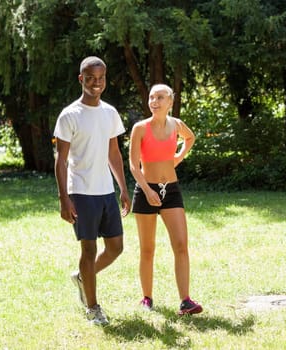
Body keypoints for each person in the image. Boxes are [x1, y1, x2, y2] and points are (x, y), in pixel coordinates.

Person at [54, 56, 131, 325]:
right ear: (81, 79)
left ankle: (82, 277)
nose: (96, 83)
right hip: (81, 192)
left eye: (100, 78)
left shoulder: (110, 113)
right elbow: (60, 161)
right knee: (88, 250)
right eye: (90, 78)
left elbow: (114, 153)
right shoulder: (69, 115)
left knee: (116, 247)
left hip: (105, 191)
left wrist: (123, 187)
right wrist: (64, 199)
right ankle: (93, 307)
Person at [129, 83, 202, 315]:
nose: (154, 101)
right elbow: (132, 165)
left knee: (181, 245)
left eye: (160, 97)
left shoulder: (176, 125)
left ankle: (185, 301)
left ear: (170, 102)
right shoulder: (140, 128)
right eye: (151, 97)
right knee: (147, 249)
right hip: (145, 191)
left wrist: (178, 157)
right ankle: (147, 298)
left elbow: (190, 138)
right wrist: (147, 191)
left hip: (170, 191)